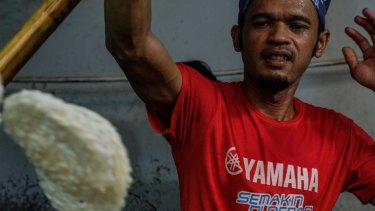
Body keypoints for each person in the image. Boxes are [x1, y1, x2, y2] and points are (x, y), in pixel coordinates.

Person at [104, 0, 375, 210]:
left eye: (297, 26)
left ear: (321, 43)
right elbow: (131, 46)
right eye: (262, 23)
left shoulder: (340, 138)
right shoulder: (201, 106)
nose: (279, 36)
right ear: (237, 38)